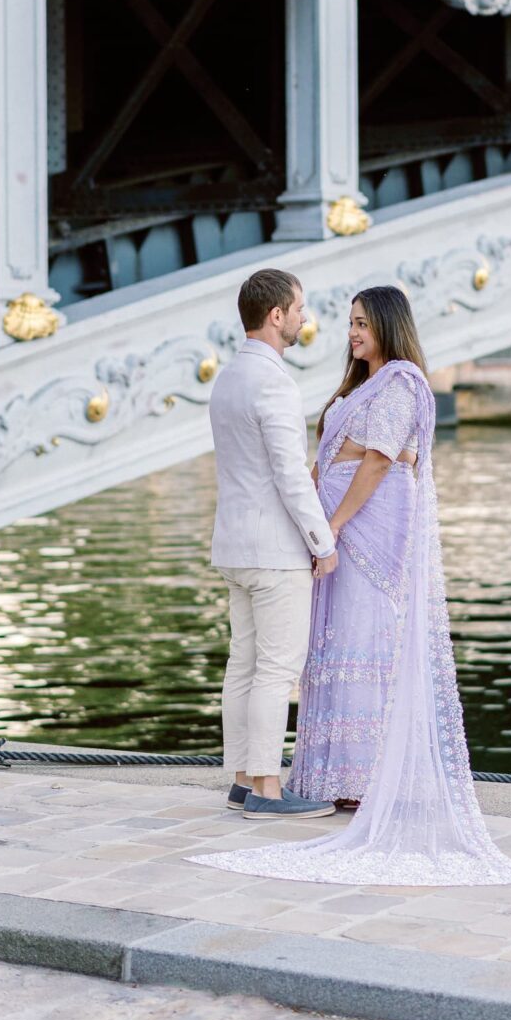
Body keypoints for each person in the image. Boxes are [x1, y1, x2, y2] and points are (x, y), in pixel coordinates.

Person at [191, 285, 511, 886]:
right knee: (312, 652)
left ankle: (356, 778)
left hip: (364, 533)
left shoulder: (402, 383)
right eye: (348, 322)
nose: (350, 332)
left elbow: (377, 462)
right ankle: (314, 777)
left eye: (360, 323)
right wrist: (317, 522)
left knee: (354, 641)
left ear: (387, 324)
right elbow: (320, 463)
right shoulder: (354, 387)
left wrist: (328, 525)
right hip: (327, 538)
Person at [208, 268, 339, 820]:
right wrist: (323, 541)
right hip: (274, 552)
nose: (305, 317)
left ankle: (240, 778)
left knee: (242, 663)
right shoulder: (275, 383)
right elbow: (289, 475)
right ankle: (266, 788)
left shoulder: (228, 378)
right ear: (275, 316)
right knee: (276, 669)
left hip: (234, 546)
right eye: (299, 308)